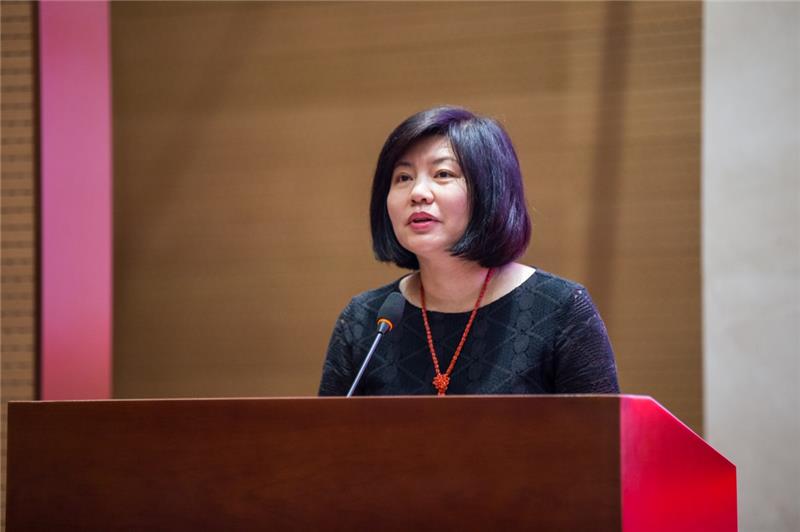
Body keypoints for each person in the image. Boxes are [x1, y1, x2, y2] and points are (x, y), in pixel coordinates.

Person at [319, 106, 619, 396]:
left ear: (489, 190)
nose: (418, 193)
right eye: (403, 178)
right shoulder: (366, 321)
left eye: (443, 174)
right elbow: (326, 431)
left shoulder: (559, 310)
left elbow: (602, 431)